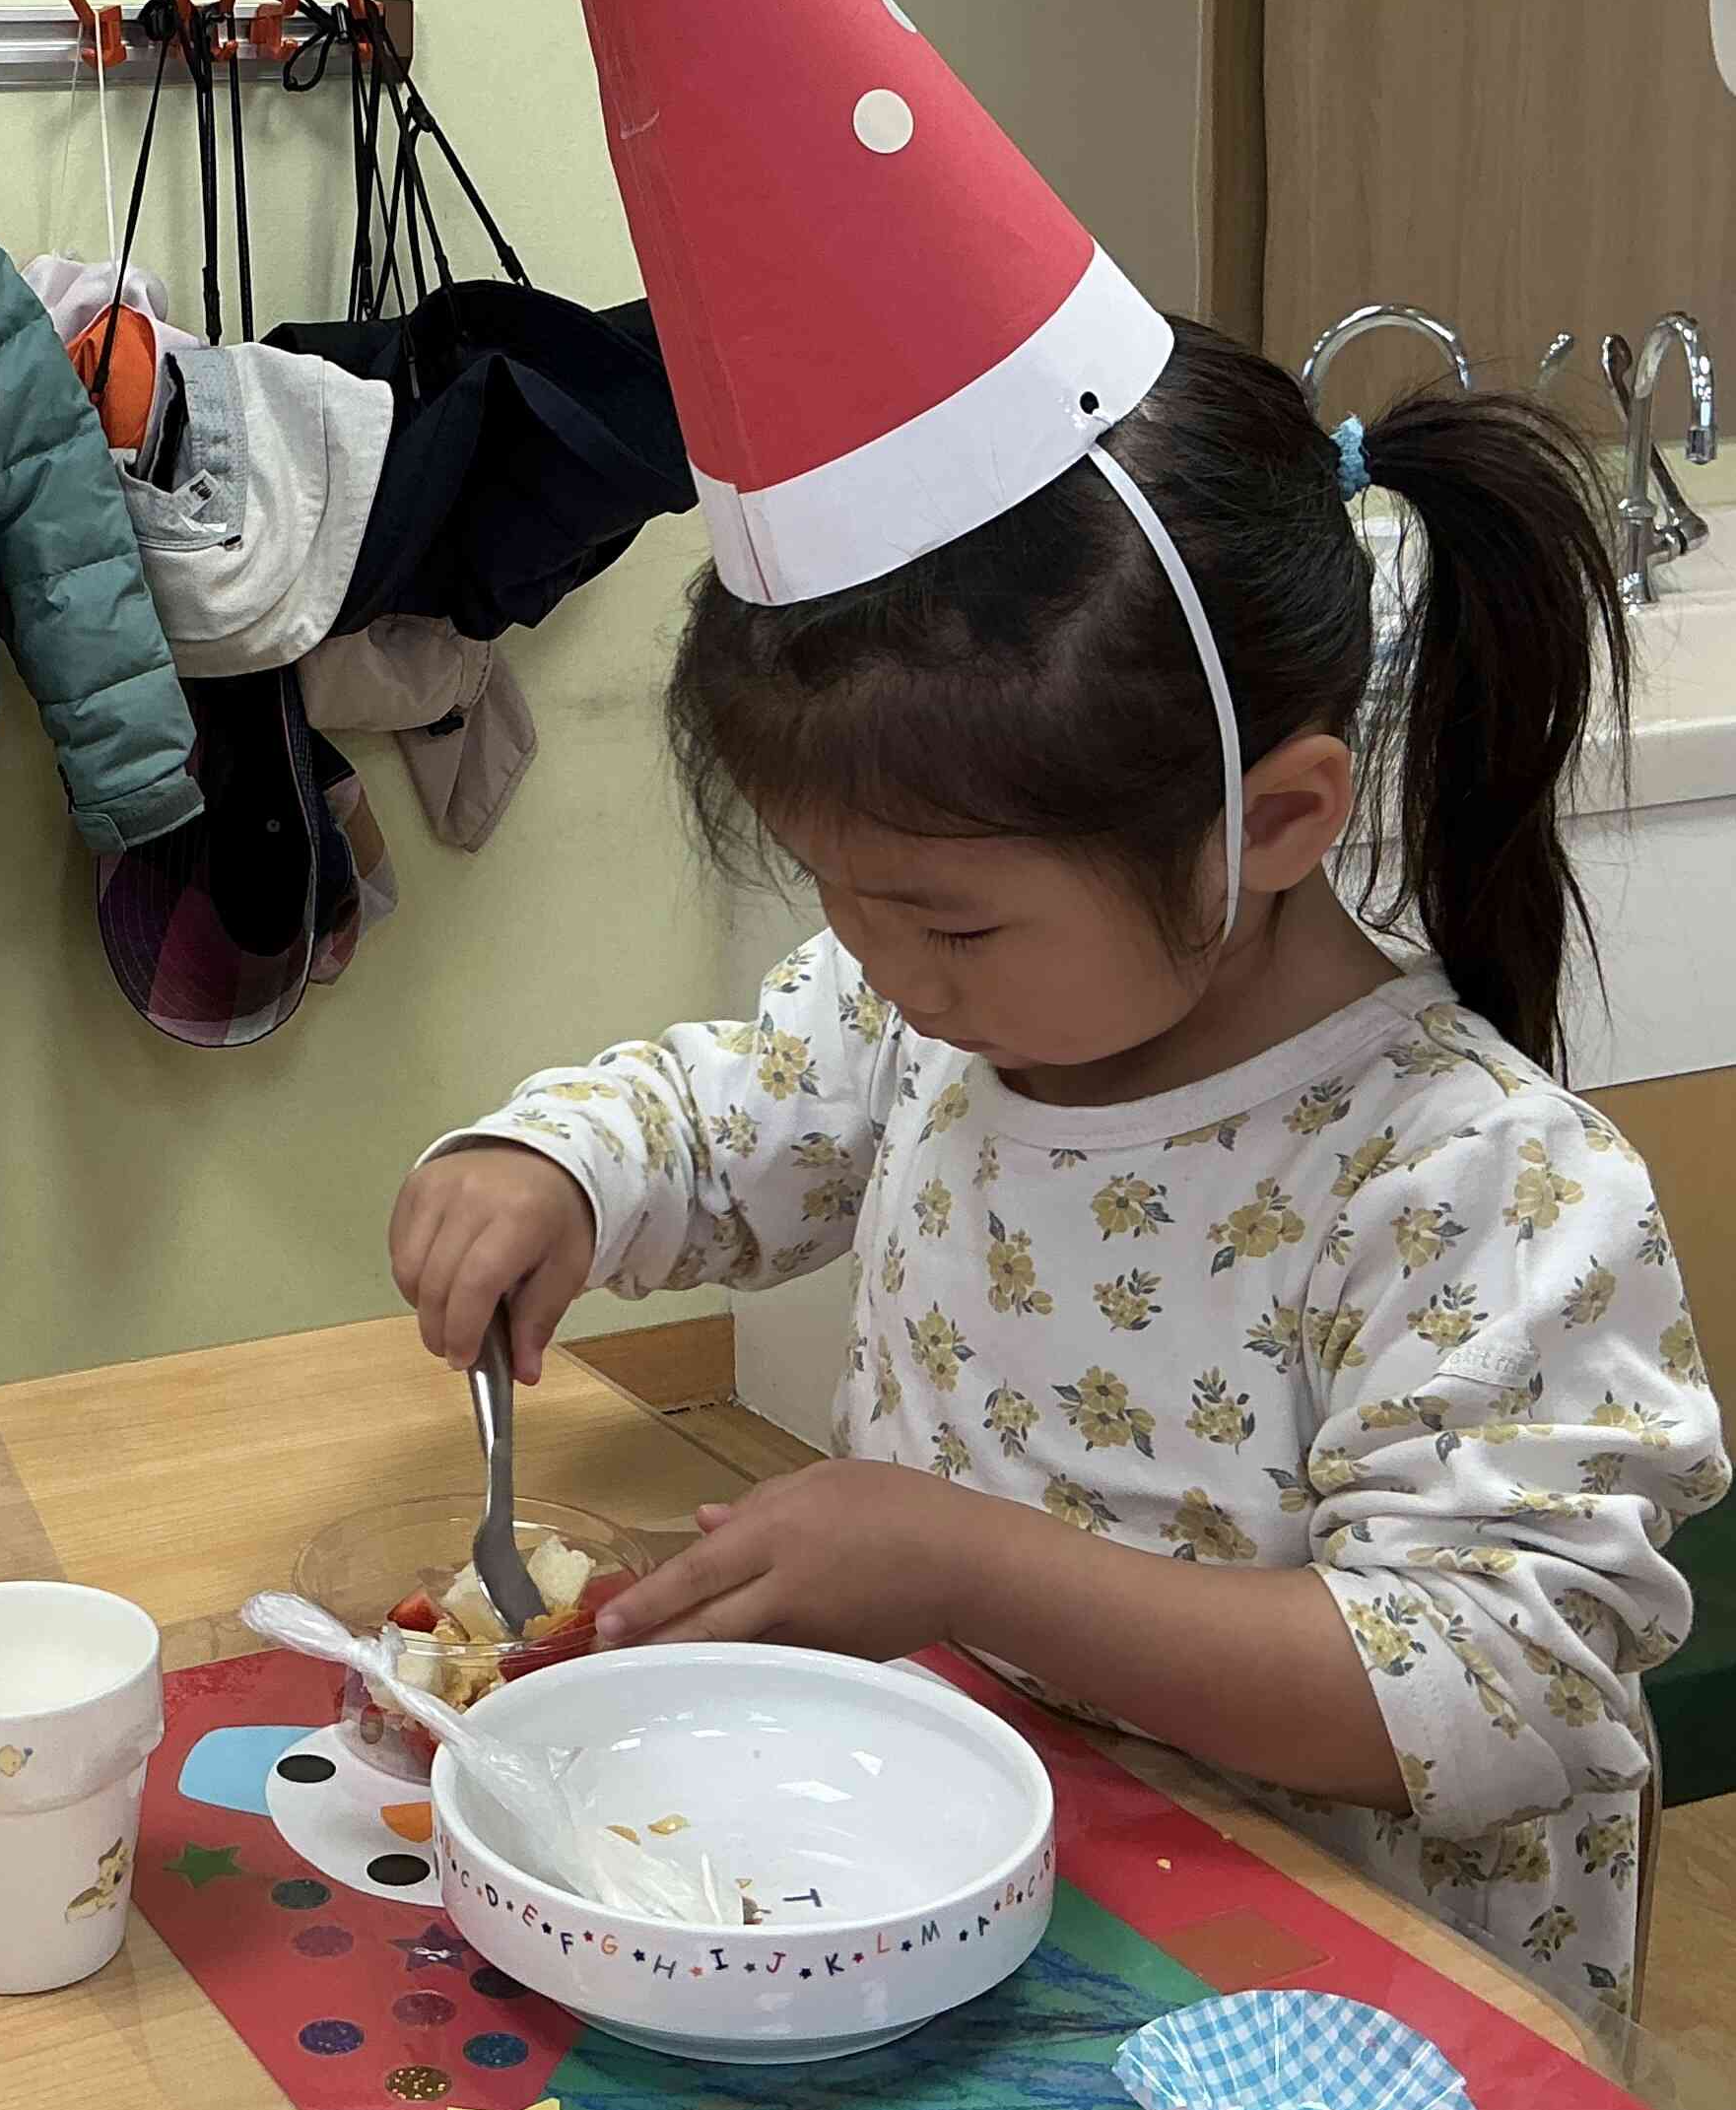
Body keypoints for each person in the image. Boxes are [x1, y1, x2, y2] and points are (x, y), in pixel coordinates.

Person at [397, 327, 1726, 2016]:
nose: (883, 970)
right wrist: (559, 1165)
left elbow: (1491, 1690)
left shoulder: (1471, 1181)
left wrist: (961, 1562)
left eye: (947, 921)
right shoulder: (935, 1020)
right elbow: (735, 1115)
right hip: (978, 1882)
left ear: (1276, 822)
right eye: (833, 893)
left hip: (1333, 2006)